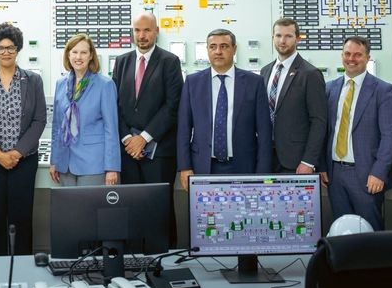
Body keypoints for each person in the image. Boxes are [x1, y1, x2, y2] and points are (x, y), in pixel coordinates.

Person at [0, 23, 46, 257]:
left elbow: (39, 120)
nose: (5, 52)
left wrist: (17, 152)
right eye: (0, 48)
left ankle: (22, 265)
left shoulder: (33, 80)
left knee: (21, 217)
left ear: (18, 49)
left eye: (10, 47)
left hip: (23, 161)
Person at [178, 29, 273, 188]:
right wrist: (184, 167)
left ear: (234, 49)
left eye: (224, 46)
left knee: (242, 212)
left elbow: (264, 131)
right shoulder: (192, 83)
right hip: (203, 166)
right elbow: (183, 129)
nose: (218, 52)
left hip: (243, 166)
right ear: (207, 49)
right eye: (213, 47)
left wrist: (263, 171)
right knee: (204, 212)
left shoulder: (254, 83)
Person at [324, 36, 392, 230]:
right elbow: (324, 131)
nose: (351, 59)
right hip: (334, 174)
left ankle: (375, 262)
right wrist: (322, 166)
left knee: (369, 230)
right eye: (347, 54)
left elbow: (390, 136)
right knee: (342, 230)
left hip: (367, 175)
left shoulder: (383, 90)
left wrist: (379, 172)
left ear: (367, 58)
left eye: (358, 55)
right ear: (342, 56)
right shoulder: (329, 88)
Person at [112, 11, 182, 187]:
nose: (141, 36)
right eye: (137, 30)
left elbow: (172, 105)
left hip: (159, 152)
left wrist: (143, 138)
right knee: (132, 208)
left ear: (157, 31)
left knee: (160, 209)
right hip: (127, 152)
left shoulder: (170, 61)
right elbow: (113, 105)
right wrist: (127, 138)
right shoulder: (121, 62)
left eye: (147, 30)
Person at [50, 33, 119, 186]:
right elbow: (56, 127)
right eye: (74, 52)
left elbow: (111, 129)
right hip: (65, 162)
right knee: (69, 210)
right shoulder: (61, 84)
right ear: (68, 55)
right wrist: (54, 160)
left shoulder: (105, 85)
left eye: (83, 52)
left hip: (93, 163)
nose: (78, 57)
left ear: (91, 56)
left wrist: (112, 167)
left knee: (89, 209)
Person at [261, 18, 328, 174]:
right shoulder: (265, 71)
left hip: (295, 161)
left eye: (288, 36)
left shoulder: (310, 74)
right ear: (273, 38)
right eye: (278, 36)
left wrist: (309, 161)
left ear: (298, 38)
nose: (282, 41)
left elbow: (319, 121)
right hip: (266, 157)